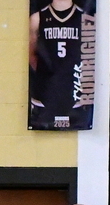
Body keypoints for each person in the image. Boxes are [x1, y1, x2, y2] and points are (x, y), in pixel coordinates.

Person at [29, 0, 92, 129]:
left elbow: (89, 59)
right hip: (45, 93)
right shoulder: (37, 18)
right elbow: (31, 55)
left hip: (74, 92)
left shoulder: (85, 19)